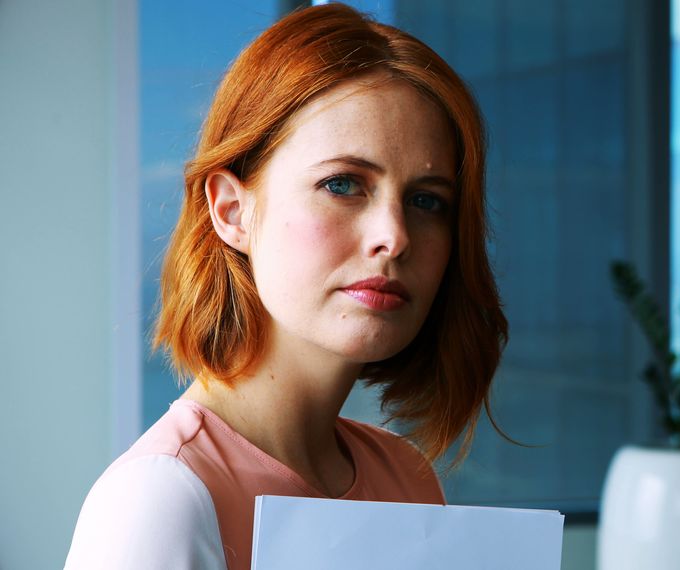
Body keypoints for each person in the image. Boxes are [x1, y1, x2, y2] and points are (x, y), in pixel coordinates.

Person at [65, 5, 507, 569]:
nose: (394, 237)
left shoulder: (406, 477)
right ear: (232, 211)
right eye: (342, 184)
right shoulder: (161, 501)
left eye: (427, 201)